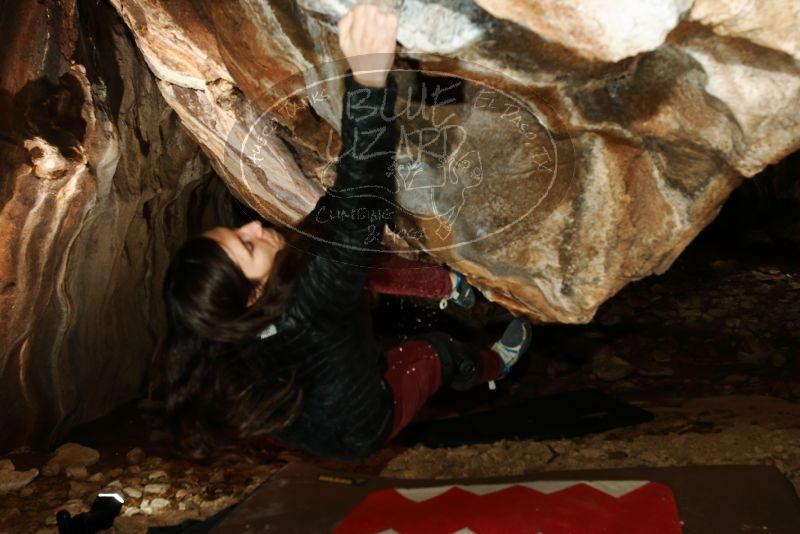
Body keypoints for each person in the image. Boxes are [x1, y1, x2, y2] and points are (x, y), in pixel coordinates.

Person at [160, 3, 533, 461]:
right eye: (246, 244)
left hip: (313, 403)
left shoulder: (222, 327)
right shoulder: (312, 302)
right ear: (253, 295)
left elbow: (334, 225)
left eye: (238, 231)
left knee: (346, 259)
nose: (253, 226)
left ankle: (449, 287)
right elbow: (365, 199)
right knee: (435, 353)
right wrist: (368, 81)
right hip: (363, 425)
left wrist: (334, 206)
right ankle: (497, 364)